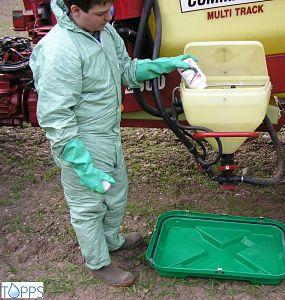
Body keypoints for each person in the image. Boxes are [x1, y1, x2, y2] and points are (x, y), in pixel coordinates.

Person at [29, 0, 194, 287]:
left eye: (110, 11)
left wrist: (165, 64)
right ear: (75, 11)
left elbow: (126, 70)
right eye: (101, 14)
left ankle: (112, 240)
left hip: (108, 133)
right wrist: (83, 166)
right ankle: (98, 262)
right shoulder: (59, 51)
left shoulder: (104, 32)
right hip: (81, 140)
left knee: (115, 192)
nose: (109, 18)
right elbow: (56, 118)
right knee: (87, 206)